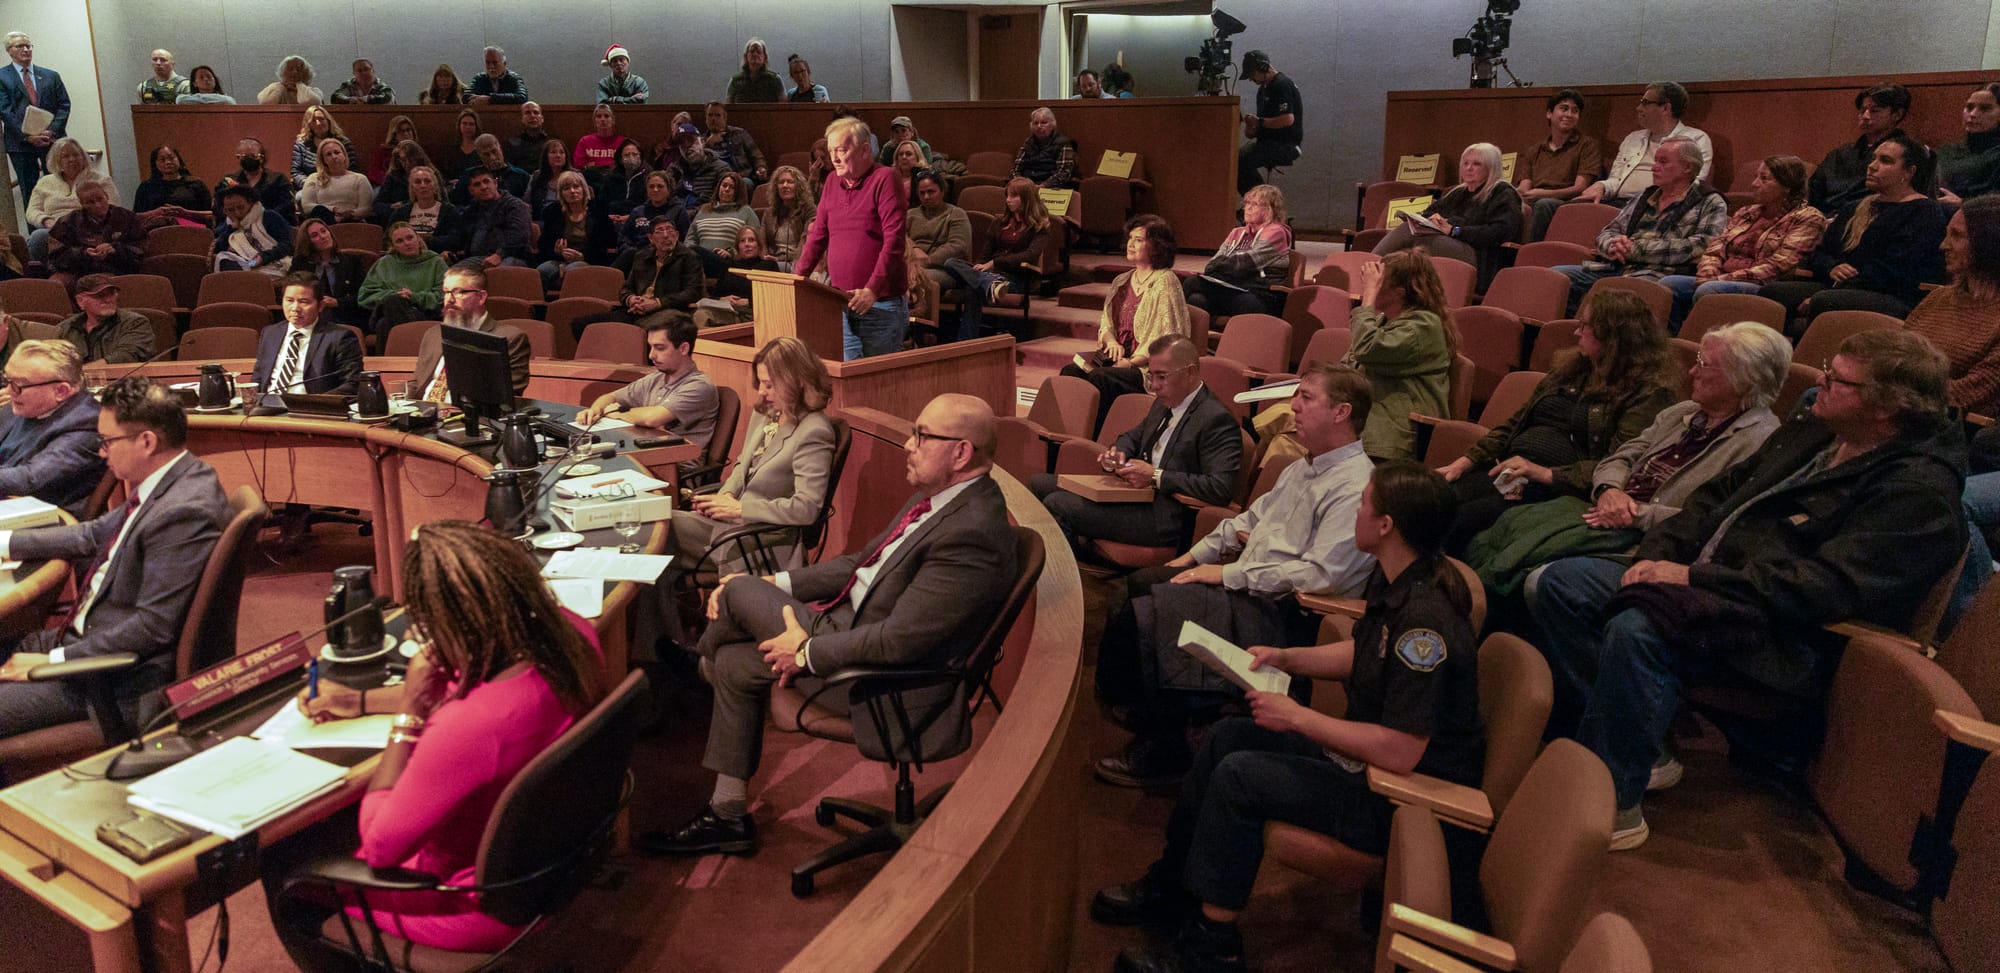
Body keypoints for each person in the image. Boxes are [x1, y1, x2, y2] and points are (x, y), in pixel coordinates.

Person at [1533, 329, 1965, 850]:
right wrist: (1658, 557)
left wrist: (1693, 577)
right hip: (1710, 585)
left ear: (1887, 408)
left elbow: (1826, 587)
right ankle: (1645, 746)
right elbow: (1711, 501)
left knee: (1639, 627)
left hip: (1782, 632)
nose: (1818, 382)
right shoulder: (1816, 431)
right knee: (1561, 582)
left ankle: (1614, 804)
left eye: (1837, 379)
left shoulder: (1917, 492)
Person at [1093, 461, 1480, 973]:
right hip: (1365, 765)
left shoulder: (1423, 625)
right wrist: (1286, 657)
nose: (1357, 511)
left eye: (1364, 503)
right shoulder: (1402, 581)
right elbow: (1362, 655)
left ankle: (1214, 947)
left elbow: (1401, 750)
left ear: (1386, 526)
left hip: (1399, 799)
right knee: (1229, 736)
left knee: (1241, 777)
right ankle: (1174, 883)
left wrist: (1297, 717)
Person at [642, 393, 1015, 857]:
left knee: (735, 590)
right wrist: (774, 581)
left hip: (881, 680)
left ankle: (700, 667)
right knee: (738, 660)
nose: (907, 444)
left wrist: (805, 653)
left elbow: (899, 642)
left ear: (961, 452)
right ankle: (728, 814)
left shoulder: (973, 533)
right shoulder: (937, 501)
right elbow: (859, 565)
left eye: (921, 435)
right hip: (841, 627)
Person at [262, 521, 606, 968]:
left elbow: (382, 846)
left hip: (469, 905)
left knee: (283, 855)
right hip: (544, 869)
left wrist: (407, 717)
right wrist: (362, 701)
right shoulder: (572, 635)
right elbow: (471, 684)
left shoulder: (473, 726)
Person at [1094, 364, 1380, 787]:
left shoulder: (1356, 484)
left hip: (1293, 614)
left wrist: (1225, 575)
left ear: (1341, 412)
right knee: (1152, 582)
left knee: (1165, 610)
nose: (1293, 407)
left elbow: (1320, 577)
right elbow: (1246, 520)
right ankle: (1151, 714)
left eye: (1306, 398)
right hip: (1252, 586)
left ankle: (1167, 749)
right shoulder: (1301, 467)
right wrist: (1190, 559)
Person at [1468, 321, 1789, 600]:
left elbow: (1716, 522)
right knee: (1494, 533)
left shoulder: (1759, 442)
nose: (1692, 371)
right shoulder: (1682, 413)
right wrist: (1609, 489)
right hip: (1605, 510)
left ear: (1743, 379)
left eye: (1704, 364)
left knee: (1528, 570)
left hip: (1649, 542)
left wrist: (1634, 513)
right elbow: (1620, 457)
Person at [0, 377, 227, 739]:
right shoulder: (172, 480)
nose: (101, 453)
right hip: (82, 637)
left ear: (147, 441)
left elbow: (153, 626)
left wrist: (54, 661)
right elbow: (89, 534)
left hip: (110, 679)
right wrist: (5, 542)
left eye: (107, 442)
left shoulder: (183, 511)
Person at [1434, 289, 1678, 554]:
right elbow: (1514, 423)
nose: (1577, 333)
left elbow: (1619, 462)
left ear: (1613, 337)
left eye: (1585, 326)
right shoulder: (1572, 370)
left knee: (1459, 522)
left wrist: (1542, 472)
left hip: (1559, 489)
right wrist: (1464, 462)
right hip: (1513, 473)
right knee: (1431, 500)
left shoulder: (1648, 393)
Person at [657, 335, 835, 641]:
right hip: (728, 524)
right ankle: (660, 647)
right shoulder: (767, 413)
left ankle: (691, 653)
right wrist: (726, 494)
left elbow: (807, 508)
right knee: (654, 529)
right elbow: (742, 463)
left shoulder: (815, 432)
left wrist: (741, 509)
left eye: (769, 384)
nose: (762, 393)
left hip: (760, 539)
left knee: (659, 545)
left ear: (796, 382)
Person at [1033, 334, 1239, 549]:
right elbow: (1132, 436)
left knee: (1058, 505)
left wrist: (1155, 476)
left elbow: (1219, 488)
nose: (1155, 386)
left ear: (1190, 372)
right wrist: (1117, 453)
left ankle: (1063, 579)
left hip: (1165, 515)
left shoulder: (1217, 419)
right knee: (1039, 484)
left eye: (1162, 376)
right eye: (1151, 376)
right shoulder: (1163, 402)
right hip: (1134, 495)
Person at [1759, 134, 1947, 327]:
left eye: (1885, 161)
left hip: (1890, 294)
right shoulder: (1855, 206)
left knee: (1824, 301)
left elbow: (1895, 271)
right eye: (1874, 158)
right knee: (1772, 293)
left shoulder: (1923, 211)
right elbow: (1820, 253)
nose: (1872, 166)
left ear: (1908, 172)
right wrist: (1832, 267)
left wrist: (1832, 291)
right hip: (1840, 286)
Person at [1554, 137, 1728, 312]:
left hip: (1662, 274)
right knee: (1558, 277)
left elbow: (1704, 244)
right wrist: (1614, 246)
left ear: (1687, 167)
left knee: (1626, 290)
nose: (1654, 167)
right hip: (1616, 267)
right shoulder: (1644, 196)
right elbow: (1609, 231)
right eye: (1655, 161)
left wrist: (1636, 250)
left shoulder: (1710, 201)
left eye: (1663, 162)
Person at [1656, 155, 1827, 331]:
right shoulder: (1747, 212)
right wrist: (1708, 273)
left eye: (1764, 179)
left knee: (1710, 290)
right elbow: (1716, 248)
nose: (1754, 184)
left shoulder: (1808, 218)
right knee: (1669, 284)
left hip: (1763, 284)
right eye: (1756, 176)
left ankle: (1698, 347)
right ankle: (1668, 342)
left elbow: (1779, 265)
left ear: (1787, 186)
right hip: (1718, 278)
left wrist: (1721, 279)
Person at [796, 117, 909, 360]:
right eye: (830, 151)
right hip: (839, 301)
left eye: (841, 150)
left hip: (880, 303)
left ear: (865, 150)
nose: (833, 158)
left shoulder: (886, 179)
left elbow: (894, 241)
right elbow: (818, 235)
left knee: (877, 383)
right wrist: (796, 279)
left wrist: (872, 290)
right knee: (845, 378)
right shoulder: (831, 182)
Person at [1061, 216, 1188, 418]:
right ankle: (1071, 432)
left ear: (1156, 246)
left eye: (1138, 240)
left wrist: (1131, 362)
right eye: (1130, 238)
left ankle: (1096, 435)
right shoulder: (1121, 280)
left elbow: (1166, 338)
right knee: (1071, 372)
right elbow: (1106, 324)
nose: (1130, 244)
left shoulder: (1165, 281)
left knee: (1101, 378)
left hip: (1145, 368)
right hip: (1116, 361)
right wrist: (1111, 342)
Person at [1344, 250, 1458, 461]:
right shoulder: (1383, 321)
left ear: (1399, 292)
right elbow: (1346, 366)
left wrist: (1368, 297)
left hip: (1393, 431)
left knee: (1291, 439)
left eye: (1378, 283)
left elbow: (1367, 349)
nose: (1369, 286)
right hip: (1365, 414)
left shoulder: (1423, 326)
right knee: (1284, 426)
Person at [1373, 142, 1523, 289]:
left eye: (1476, 164)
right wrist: (1433, 220)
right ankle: (1381, 279)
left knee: (1408, 233)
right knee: (1410, 231)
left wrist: (1455, 229)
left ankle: (1370, 270)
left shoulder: (1503, 193)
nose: (1469, 168)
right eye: (1465, 163)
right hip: (1451, 244)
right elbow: (1430, 212)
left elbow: (1500, 232)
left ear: (1491, 168)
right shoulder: (1459, 192)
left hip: (1479, 257)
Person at [574, 315, 718, 467]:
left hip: (676, 468)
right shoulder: (656, 378)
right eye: (650, 347)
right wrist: (595, 410)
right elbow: (611, 397)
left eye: (660, 348)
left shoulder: (699, 386)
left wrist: (616, 413)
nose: (651, 355)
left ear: (683, 348)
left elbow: (653, 418)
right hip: (646, 456)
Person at [1905, 194, 2000, 417]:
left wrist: (1880, 392)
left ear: (1988, 244)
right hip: (1898, 407)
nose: (1943, 245)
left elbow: (1968, 395)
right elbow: (1896, 354)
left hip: (1943, 427)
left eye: (1956, 236)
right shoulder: (1939, 297)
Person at [944, 177, 1054, 341]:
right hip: (989, 274)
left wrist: (995, 263)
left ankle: (965, 342)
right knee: (950, 262)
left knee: (973, 289)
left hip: (1015, 277)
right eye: (1007, 196)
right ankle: (988, 283)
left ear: (1027, 199)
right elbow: (985, 253)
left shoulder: (1039, 227)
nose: (1008, 200)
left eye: (1014, 196)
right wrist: (981, 266)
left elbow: (1030, 255)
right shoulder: (999, 222)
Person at [0, 340, 103, 515]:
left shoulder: (86, 424)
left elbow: (30, 479)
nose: (9, 391)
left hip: (41, 520)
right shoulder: (23, 404)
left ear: (61, 391)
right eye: (7, 380)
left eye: (18, 384)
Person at [409, 261, 531, 400]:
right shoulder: (433, 334)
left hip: (468, 417)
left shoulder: (509, 338)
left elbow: (505, 396)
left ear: (481, 297)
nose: (449, 299)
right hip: (422, 414)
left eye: (459, 292)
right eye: (446, 292)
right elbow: (417, 383)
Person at [1577, 81, 1712, 207]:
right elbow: (1616, 180)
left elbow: (1693, 185)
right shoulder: (1633, 138)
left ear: (1665, 108)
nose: (1638, 108)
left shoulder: (1696, 139)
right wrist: (1602, 186)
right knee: (1567, 209)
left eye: (1645, 103)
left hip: (1657, 206)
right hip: (1618, 202)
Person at [569, 220, 704, 340]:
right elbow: (626, 289)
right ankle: (603, 362)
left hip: (668, 311)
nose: (666, 235)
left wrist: (656, 303)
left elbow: (692, 292)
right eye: (659, 231)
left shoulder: (689, 257)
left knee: (649, 331)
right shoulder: (641, 256)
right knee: (581, 324)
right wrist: (631, 299)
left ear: (677, 235)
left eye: (670, 230)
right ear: (650, 238)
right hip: (636, 310)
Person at [1809, 83, 1924, 214]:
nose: (1865, 116)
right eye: (1862, 110)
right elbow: (1813, 191)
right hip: (1823, 219)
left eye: (1875, 110)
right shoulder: (1840, 153)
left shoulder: (1910, 153)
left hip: (1870, 217)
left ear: (1897, 115)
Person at [1184, 184, 1292, 318]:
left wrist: (1224, 266)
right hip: (1234, 289)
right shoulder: (1236, 232)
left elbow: (1245, 263)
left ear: (1270, 210)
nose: (1248, 208)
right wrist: (1228, 266)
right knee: (1197, 300)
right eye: (1247, 203)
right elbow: (1211, 265)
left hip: (1261, 297)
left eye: (1255, 204)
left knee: (1192, 282)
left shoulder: (1276, 232)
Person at [252, 273, 364, 398]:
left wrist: (315, 402)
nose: (295, 308)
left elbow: (353, 383)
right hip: (267, 407)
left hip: (310, 409)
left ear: (320, 306)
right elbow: (258, 377)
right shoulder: (270, 333)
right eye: (289, 300)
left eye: (303, 302)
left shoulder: (339, 338)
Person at [1519, 89, 1606, 241]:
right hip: (1536, 199)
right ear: (1549, 113)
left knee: (1543, 205)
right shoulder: (1534, 150)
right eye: (1564, 108)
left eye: (1575, 111)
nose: (1569, 115)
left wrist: (1542, 194)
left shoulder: (1587, 145)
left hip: (1568, 203)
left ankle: (1530, 255)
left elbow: (1580, 188)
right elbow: (1525, 187)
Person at [1, 32, 70, 211]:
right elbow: (5, 111)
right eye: (19, 46)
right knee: (30, 194)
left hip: (52, 142)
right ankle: (36, 236)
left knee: (61, 188)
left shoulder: (50, 75)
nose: (25, 49)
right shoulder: (2, 77)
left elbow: (64, 105)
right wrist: (28, 136)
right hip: (22, 145)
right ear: (9, 51)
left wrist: (51, 131)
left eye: (28, 46)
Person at [47, 180, 145, 290]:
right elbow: (56, 256)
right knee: (55, 285)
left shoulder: (127, 218)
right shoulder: (67, 222)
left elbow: (140, 249)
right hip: (77, 269)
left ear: (107, 196)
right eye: (90, 202)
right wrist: (83, 253)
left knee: (96, 284)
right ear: (82, 204)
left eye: (100, 199)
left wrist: (114, 249)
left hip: (114, 269)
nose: (97, 205)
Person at [357, 222, 446, 339]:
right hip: (389, 310)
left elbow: (443, 298)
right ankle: (414, 347)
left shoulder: (436, 262)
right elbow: (365, 296)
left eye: (410, 238)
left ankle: (389, 356)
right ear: (393, 246)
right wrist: (396, 294)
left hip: (425, 314)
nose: (407, 243)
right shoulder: (384, 263)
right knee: (394, 301)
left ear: (418, 239)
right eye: (399, 241)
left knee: (384, 325)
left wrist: (413, 296)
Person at [43, 275, 154, 364]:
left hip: (122, 385)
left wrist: (85, 373)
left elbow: (127, 355)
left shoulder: (135, 322)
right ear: (80, 301)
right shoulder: (65, 328)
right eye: (100, 295)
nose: (108, 300)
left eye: (111, 294)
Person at [535, 170, 615, 291]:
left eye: (576, 186)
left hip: (589, 261)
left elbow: (609, 243)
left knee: (573, 271)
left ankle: (571, 307)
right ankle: (541, 308)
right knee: (541, 270)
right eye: (566, 188)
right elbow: (543, 244)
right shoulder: (553, 212)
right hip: (559, 260)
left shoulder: (598, 211)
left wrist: (583, 257)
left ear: (584, 189)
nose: (572, 191)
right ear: (561, 193)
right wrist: (556, 251)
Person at [24, 137, 100, 264]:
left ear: (83, 157)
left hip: (87, 228)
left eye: (76, 155)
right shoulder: (45, 182)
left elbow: (111, 207)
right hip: (53, 228)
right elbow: (32, 211)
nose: (72, 159)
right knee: (38, 237)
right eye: (66, 156)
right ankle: (44, 277)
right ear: (57, 161)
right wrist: (46, 220)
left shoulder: (99, 179)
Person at [438, 169, 532, 269]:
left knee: (500, 271)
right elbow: (460, 236)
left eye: (486, 181)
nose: (483, 187)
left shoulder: (514, 205)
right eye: (477, 184)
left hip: (511, 256)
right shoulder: (470, 211)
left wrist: (500, 255)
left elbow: (519, 236)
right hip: (477, 258)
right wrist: (451, 251)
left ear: (495, 183)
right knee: (448, 272)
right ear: (471, 191)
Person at [1236, 50, 1301, 194]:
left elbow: (1287, 119)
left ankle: (1263, 205)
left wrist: (1259, 122)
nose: (1250, 79)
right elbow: (1261, 124)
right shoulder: (1263, 90)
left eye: (1252, 74)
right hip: (1268, 142)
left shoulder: (1282, 84)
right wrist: (1252, 127)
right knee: (1235, 160)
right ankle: (1256, 204)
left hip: (1285, 144)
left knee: (1242, 161)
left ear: (1263, 67)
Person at [290, 219, 369, 329]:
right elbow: (290, 293)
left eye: (324, 231)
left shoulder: (352, 262)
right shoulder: (301, 264)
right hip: (312, 314)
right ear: (308, 242)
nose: (323, 236)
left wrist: (337, 302)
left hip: (346, 315)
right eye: (315, 235)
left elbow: (363, 296)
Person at [697, 225, 780, 328]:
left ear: (758, 245)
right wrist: (723, 299)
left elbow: (776, 297)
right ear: (738, 247)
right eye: (742, 241)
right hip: (730, 312)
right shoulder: (729, 266)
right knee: (701, 315)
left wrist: (750, 301)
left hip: (757, 313)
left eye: (751, 240)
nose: (747, 244)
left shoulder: (769, 265)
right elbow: (715, 295)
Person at [906, 169, 970, 293]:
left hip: (944, 269)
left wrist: (928, 260)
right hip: (911, 264)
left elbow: (959, 246)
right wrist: (914, 248)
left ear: (942, 191)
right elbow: (899, 237)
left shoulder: (956, 213)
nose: (926, 197)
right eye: (922, 193)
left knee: (915, 277)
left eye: (931, 192)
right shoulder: (910, 214)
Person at [689, 171, 758, 278]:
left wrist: (732, 253)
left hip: (727, 262)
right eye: (724, 185)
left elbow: (755, 242)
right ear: (718, 188)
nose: (726, 189)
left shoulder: (746, 211)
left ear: (738, 191)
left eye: (732, 187)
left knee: (696, 252)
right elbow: (690, 238)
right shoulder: (704, 210)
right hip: (699, 260)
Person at [1939, 83, 2000, 206]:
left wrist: (1964, 203)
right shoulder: (1947, 150)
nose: (1972, 114)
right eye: (1969, 107)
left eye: (1985, 109)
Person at [213, 183, 293, 274]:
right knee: (222, 258)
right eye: (231, 210)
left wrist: (263, 257)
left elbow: (288, 245)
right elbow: (218, 248)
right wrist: (233, 227)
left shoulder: (269, 217)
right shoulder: (229, 224)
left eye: (240, 207)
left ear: (250, 202)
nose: (237, 213)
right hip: (247, 264)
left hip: (272, 263)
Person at [133, 145, 211, 230]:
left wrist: (185, 213)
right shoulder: (146, 187)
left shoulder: (196, 183)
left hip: (192, 231)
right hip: (156, 234)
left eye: (171, 158)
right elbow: (135, 217)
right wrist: (156, 213)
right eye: (162, 159)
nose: (168, 162)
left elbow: (211, 213)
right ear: (155, 163)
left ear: (179, 159)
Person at [213, 138, 292, 221]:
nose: (249, 159)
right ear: (238, 158)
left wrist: (262, 217)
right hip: (235, 224)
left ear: (261, 158)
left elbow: (286, 206)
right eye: (245, 156)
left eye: (253, 156)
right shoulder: (227, 181)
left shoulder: (278, 180)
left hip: (269, 225)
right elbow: (217, 207)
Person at [297, 139, 374, 225]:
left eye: (337, 152)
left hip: (352, 220)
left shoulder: (360, 179)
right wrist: (333, 209)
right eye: (328, 154)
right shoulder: (314, 178)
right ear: (324, 160)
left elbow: (366, 209)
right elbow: (307, 206)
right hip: (324, 221)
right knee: (318, 211)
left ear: (344, 155)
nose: (334, 156)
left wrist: (349, 214)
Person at [379, 165, 459, 247]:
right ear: (412, 188)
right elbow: (387, 239)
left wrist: (424, 240)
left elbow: (455, 240)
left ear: (435, 186)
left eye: (427, 181)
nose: (423, 185)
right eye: (418, 182)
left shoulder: (449, 211)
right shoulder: (401, 212)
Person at [665, 122, 733, 213]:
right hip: (677, 217)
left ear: (703, 142)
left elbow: (722, 201)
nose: (687, 146)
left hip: (707, 216)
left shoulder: (720, 168)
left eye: (690, 141)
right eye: (682, 144)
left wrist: (694, 212)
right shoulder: (674, 169)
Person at [624, 169, 691, 256]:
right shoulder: (638, 212)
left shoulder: (679, 211)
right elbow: (624, 237)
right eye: (651, 187)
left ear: (668, 189)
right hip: (637, 255)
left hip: (668, 256)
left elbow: (685, 239)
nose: (655, 190)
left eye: (660, 186)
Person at [760, 165, 815, 271]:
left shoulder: (808, 210)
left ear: (798, 186)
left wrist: (779, 259)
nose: (785, 185)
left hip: (795, 263)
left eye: (790, 182)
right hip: (771, 262)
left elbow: (805, 242)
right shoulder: (769, 213)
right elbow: (763, 244)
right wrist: (765, 258)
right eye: (781, 182)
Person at [451, 134, 531, 206]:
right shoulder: (469, 176)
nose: (492, 158)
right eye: (486, 154)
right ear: (479, 155)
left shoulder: (521, 176)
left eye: (494, 151)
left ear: (500, 148)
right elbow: (457, 205)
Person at [289, 106, 355, 190]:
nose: (318, 123)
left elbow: (352, 167)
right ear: (308, 124)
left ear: (328, 120)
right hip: (311, 186)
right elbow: (296, 172)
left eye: (321, 119)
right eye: (313, 120)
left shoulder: (343, 142)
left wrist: (333, 186)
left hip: (340, 186)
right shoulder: (301, 143)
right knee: (300, 197)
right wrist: (310, 185)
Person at [1011, 107, 1078, 190]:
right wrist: (1019, 183)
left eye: (1043, 122)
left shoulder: (1063, 143)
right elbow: (1016, 168)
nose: (1039, 126)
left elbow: (1064, 173)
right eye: (1035, 123)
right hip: (1026, 187)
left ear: (1052, 125)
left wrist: (1042, 186)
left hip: (1050, 187)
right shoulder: (1028, 143)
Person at [703, 101, 768, 184]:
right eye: (710, 115)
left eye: (718, 115)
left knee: (747, 183)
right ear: (705, 118)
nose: (713, 119)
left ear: (725, 118)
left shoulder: (739, 133)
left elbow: (756, 155)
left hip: (742, 177)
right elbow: (699, 166)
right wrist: (708, 144)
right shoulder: (702, 141)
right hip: (717, 180)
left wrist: (761, 168)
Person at [523, 137, 576, 217]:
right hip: (540, 221)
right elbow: (527, 202)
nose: (558, 155)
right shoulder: (537, 176)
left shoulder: (575, 176)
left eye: (562, 152)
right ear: (546, 157)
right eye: (553, 152)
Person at [598, 139, 649, 219]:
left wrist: (629, 217)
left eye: (635, 154)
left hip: (638, 219)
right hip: (612, 219)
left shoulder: (648, 177)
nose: (631, 158)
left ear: (641, 156)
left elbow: (649, 206)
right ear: (620, 159)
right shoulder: (610, 178)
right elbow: (602, 203)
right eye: (627, 155)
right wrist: (608, 217)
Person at [727, 37, 784, 103]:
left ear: (765, 57)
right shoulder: (735, 81)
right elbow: (728, 107)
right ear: (746, 56)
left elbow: (784, 107)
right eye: (751, 51)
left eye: (758, 52)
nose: (755, 54)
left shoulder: (775, 79)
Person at [367, 116, 420, 187]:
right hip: (389, 184)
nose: (406, 134)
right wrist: (390, 180)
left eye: (408, 130)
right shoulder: (384, 150)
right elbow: (373, 172)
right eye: (402, 131)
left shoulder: (418, 150)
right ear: (394, 135)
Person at [574, 104, 623, 174]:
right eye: (599, 116)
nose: (602, 119)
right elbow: (578, 166)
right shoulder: (585, 141)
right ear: (594, 121)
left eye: (606, 116)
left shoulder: (622, 142)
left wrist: (595, 165)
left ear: (613, 120)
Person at [257, 55, 322, 106]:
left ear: (305, 74)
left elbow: (311, 103)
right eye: (290, 69)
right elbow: (265, 102)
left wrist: (299, 85)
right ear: (283, 72)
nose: (294, 72)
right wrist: (281, 85)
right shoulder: (276, 89)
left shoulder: (315, 91)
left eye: (298, 70)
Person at [506, 101, 551, 171]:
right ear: (522, 119)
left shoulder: (551, 142)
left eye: (536, 112)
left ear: (542, 119)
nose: (532, 116)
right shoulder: (512, 143)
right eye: (527, 113)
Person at [329, 58, 394, 105]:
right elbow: (335, 97)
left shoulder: (381, 85)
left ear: (373, 71)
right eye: (359, 70)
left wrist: (365, 99)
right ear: (354, 73)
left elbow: (387, 98)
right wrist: (351, 100)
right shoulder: (348, 85)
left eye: (366, 69)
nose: (363, 72)